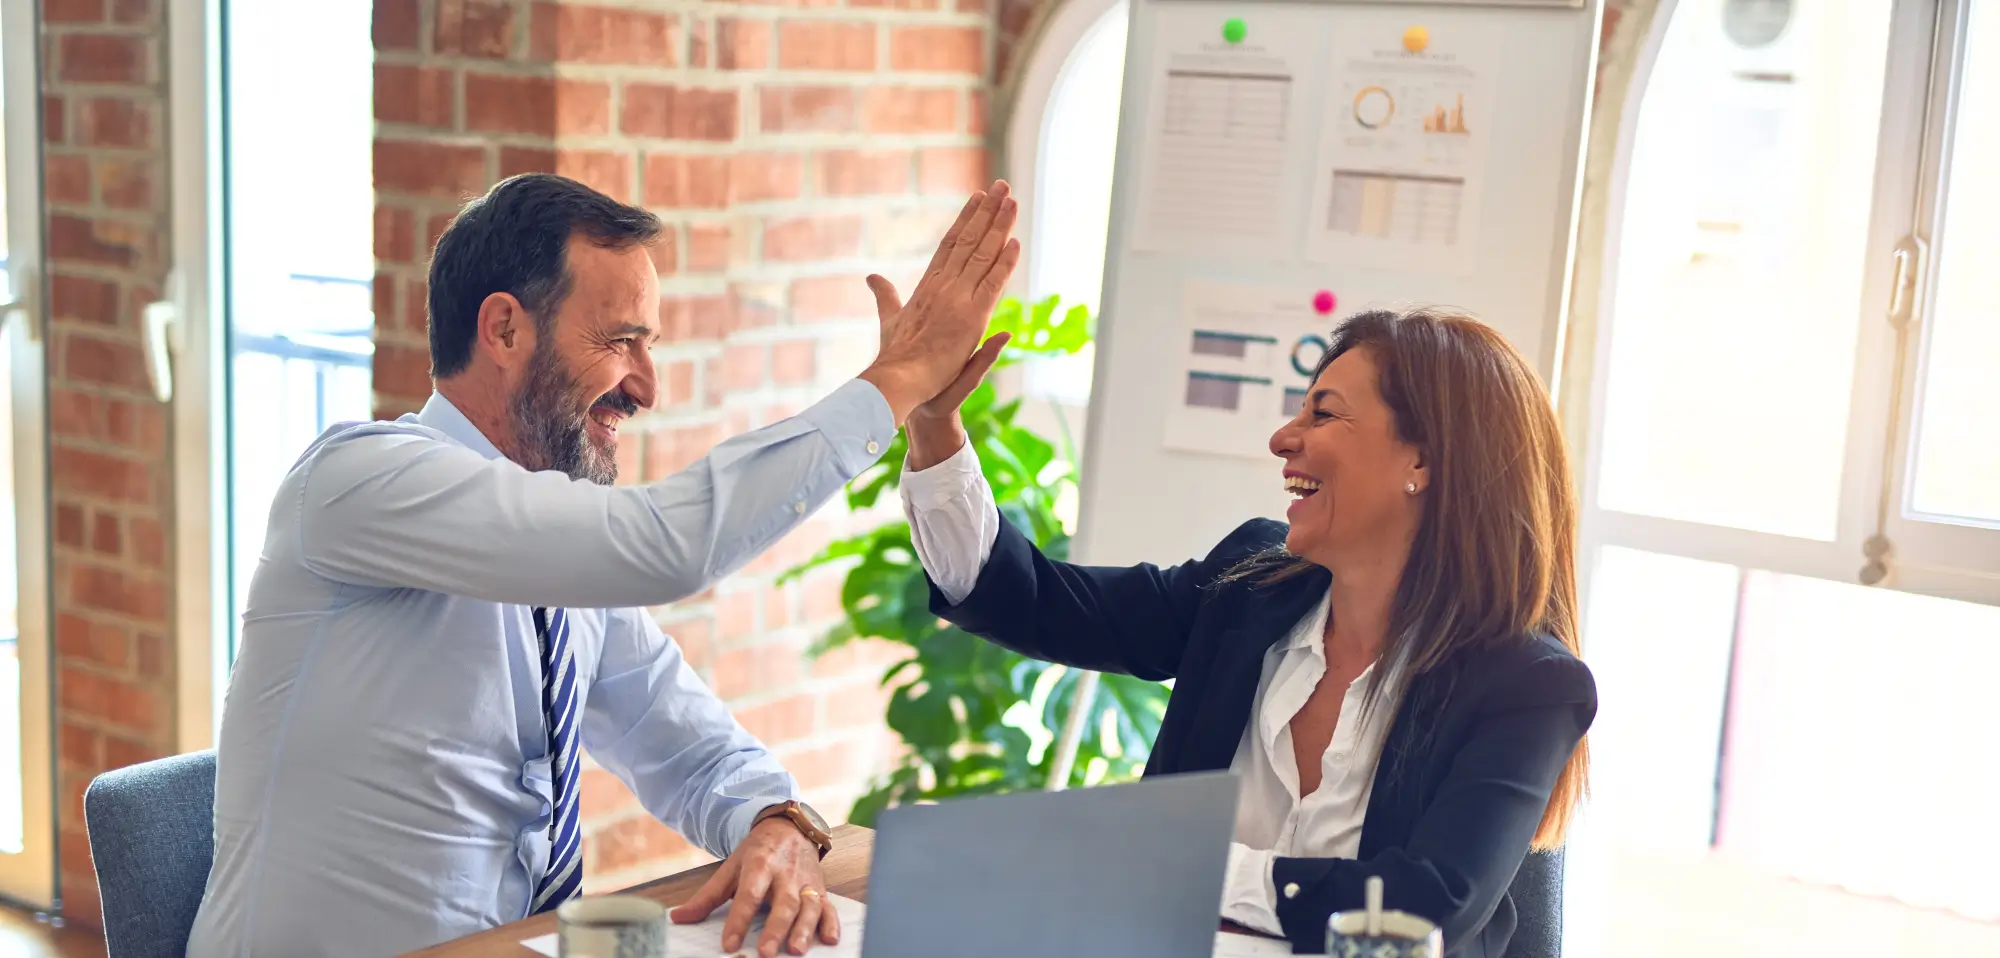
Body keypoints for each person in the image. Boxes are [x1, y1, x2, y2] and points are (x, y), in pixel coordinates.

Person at [187, 173, 1021, 958]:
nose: (647, 387)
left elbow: (693, 751)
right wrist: (898, 379)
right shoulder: (357, 482)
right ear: (505, 329)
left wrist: (775, 820)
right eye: (622, 342)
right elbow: (665, 545)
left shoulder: (562, 557)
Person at [898, 306, 1596, 956]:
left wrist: (1189, 870)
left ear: (1422, 463)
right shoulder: (1250, 589)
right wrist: (934, 426)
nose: (1283, 439)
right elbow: (1034, 601)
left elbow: (1422, 913)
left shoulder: (1527, 686)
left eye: (1323, 415)